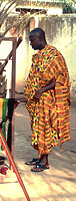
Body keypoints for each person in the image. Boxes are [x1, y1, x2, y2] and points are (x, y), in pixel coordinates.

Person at [24, 28, 71, 172]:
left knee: (45, 128)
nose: (31, 44)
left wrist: (41, 90)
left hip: (48, 100)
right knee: (38, 128)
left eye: (32, 41)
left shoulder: (54, 56)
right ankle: (40, 156)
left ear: (40, 38)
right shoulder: (39, 56)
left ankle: (45, 161)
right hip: (37, 100)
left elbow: (62, 79)